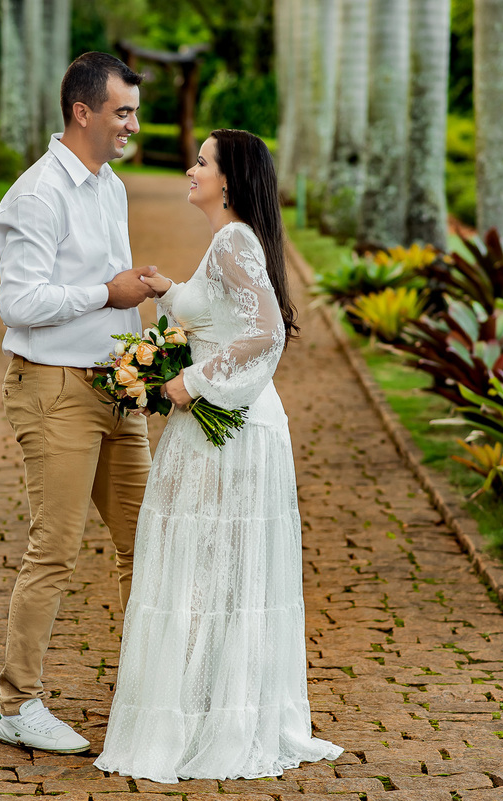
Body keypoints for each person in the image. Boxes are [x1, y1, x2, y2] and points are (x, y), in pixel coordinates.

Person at [93, 129, 345, 782]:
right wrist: (170, 289)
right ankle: (211, 709)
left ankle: (215, 718)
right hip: (224, 427)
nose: (190, 167)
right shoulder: (229, 244)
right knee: (211, 566)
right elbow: (228, 318)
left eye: (201, 161)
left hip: (228, 426)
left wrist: (194, 382)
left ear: (229, 179)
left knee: (210, 565)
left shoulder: (234, 241)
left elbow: (264, 332)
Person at [0, 52, 156, 755]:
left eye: (135, 112)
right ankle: (17, 703)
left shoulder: (109, 185)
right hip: (54, 390)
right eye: (122, 111)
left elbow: (113, 283)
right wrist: (106, 294)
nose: (132, 124)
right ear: (83, 112)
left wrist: (143, 352)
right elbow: (17, 301)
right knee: (54, 550)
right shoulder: (39, 194)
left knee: (147, 544)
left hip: (118, 387)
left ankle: (152, 686)